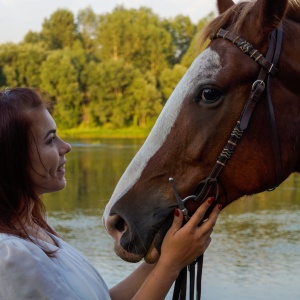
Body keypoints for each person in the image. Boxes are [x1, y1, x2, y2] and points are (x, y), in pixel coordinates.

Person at [0, 87, 221, 300]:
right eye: (50, 139)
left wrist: (166, 254)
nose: (65, 146)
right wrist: (169, 266)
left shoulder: (35, 231)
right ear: (13, 159)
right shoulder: (11, 257)